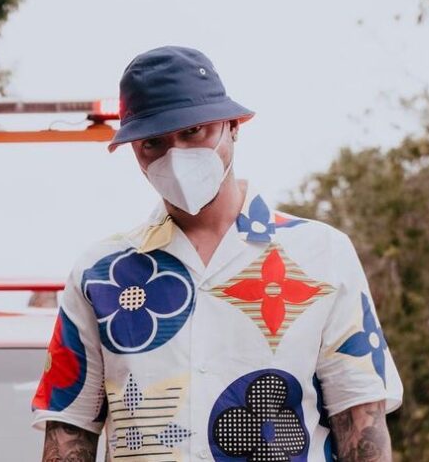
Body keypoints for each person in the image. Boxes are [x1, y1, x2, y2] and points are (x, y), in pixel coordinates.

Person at [32, 46, 402, 461]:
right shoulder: (99, 274)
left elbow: (360, 422)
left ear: (233, 126)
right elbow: (69, 430)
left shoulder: (322, 256)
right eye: (153, 142)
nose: (175, 155)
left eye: (193, 132)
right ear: (135, 150)